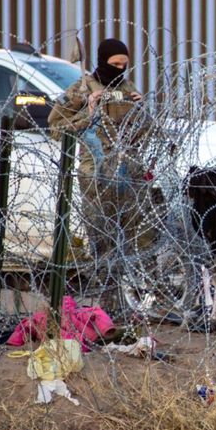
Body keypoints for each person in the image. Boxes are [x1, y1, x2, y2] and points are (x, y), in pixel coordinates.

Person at [48, 38, 157, 311]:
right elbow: (55, 128)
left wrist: (141, 111)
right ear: (102, 61)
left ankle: (142, 301)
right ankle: (107, 304)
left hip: (129, 174)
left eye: (124, 64)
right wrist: (89, 113)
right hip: (95, 177)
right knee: (103, 239)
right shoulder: (81, 89)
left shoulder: (128, 88)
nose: (120, 70)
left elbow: (146, 132)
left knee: (140, 237)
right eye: (114, 64)